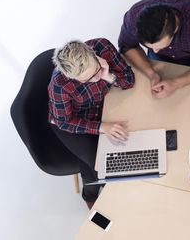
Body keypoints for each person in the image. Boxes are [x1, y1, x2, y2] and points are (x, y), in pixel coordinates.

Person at [48, 38, 135, 209]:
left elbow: (129, 80)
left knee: (98, 164)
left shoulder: (103, 46)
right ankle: (90, 195)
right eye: (87, 79)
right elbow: (64, 122)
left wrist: (108, 75)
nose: (95, 79)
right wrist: (102, 127)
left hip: (101, 108)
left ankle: (89, 193)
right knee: (101, 168)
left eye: (96, 71)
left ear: (93, 54)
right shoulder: (59, 84)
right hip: (73, 123)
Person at [118, 0, 190, 99]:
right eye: (149, 47)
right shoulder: (133, 17)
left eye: (159, 46)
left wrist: (176, 83)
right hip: (160, 60)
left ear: (175, 29)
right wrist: (151, 74)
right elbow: (127, 46)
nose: (155, 50)